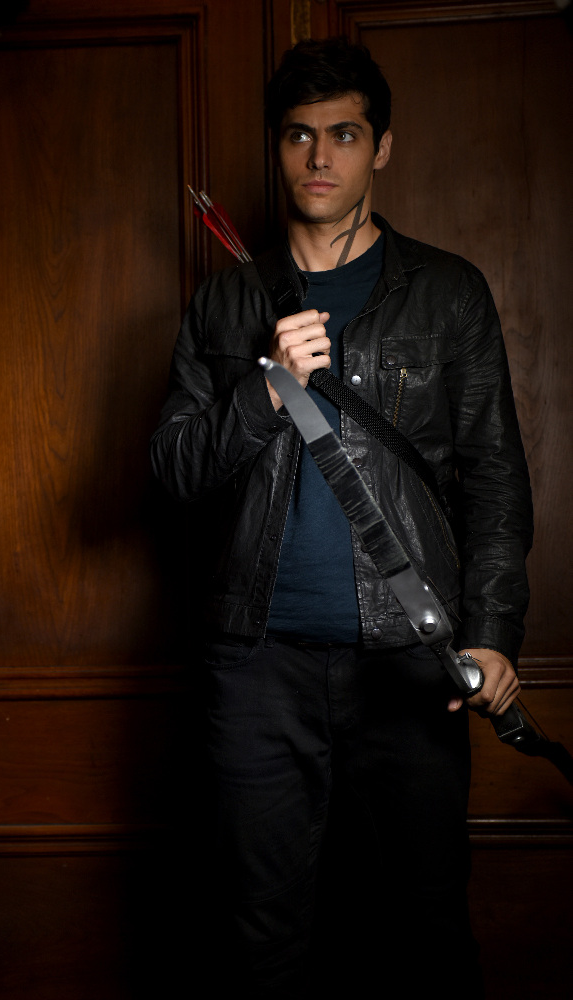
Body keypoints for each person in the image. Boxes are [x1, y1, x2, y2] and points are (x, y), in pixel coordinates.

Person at [150, 37, 533, 999]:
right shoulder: (224, 301)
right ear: (276, 147)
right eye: (298, 135)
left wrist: (490, 631)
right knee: (257, 941)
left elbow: (493, 476)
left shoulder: (446, 292)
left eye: (345, 134)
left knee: (421, 930)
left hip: (408, 660)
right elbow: (172, 470)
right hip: (256, 667)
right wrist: (265, 392)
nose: (319, 157)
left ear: (381, 148)